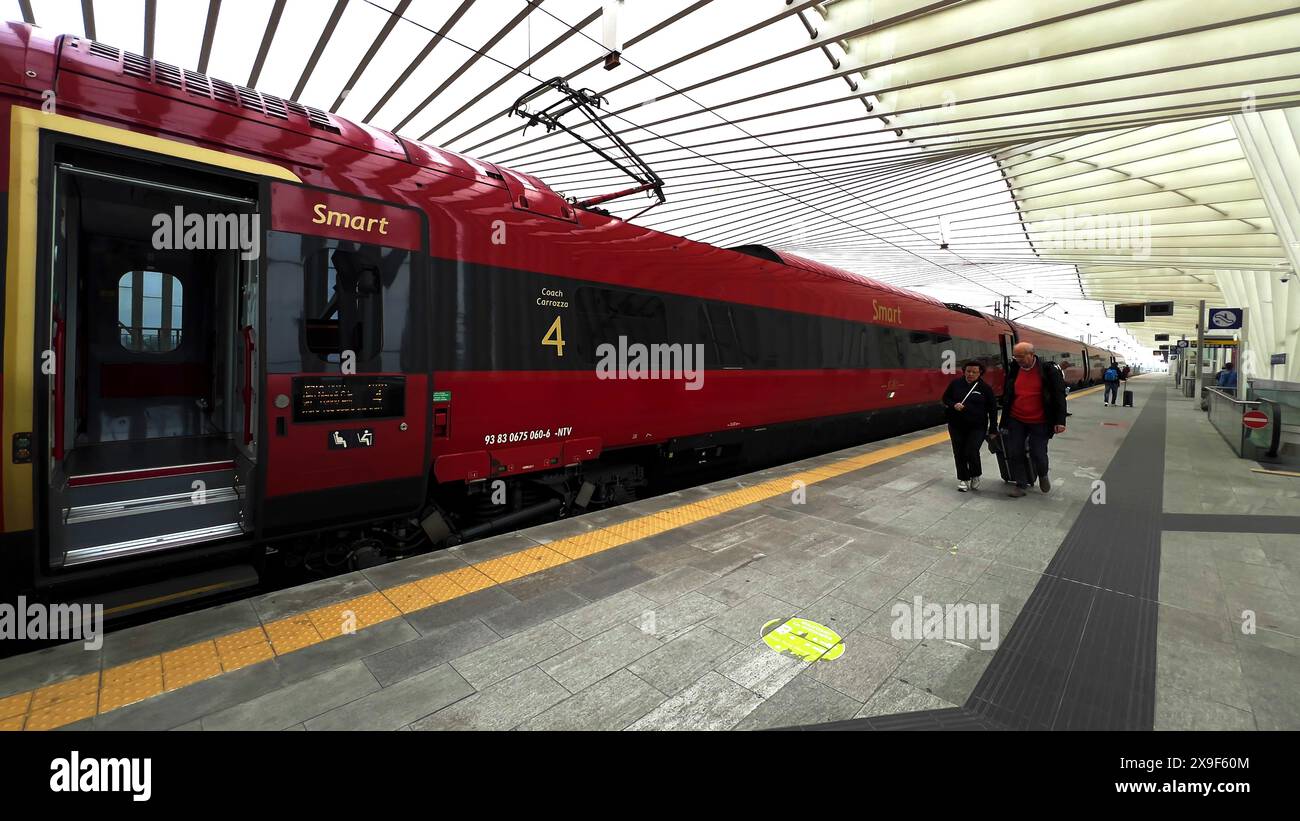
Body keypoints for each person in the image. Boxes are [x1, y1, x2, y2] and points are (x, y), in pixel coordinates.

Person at [1000, 341, 1068, 497]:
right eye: (1015, 356)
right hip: (1017, 418)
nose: (1017, 359)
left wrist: (1060, 421)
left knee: (1038, 452)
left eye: (1021, 356)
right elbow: (1008, 396)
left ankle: (1042, 474)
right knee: (1015, 451)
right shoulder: (1015, 368)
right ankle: (1020, 484)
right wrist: (1004, 421)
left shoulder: (1048, 370)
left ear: (1031, 354)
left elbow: (1059, 395)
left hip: (1040, 420)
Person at [942, 360, 998, 492]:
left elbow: (993, 409)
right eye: (968, 371)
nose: (970, 374)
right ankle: (963, 479)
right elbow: (946, 398)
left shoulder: (985, 388)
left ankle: (975, 474)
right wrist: (954, 405)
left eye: (974, 372)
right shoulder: (955, 384)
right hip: (956, 425)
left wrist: (993, 428)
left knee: (971, 450)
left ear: (980, 373)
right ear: (964, 371)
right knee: (959, 451)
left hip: (977, 426)